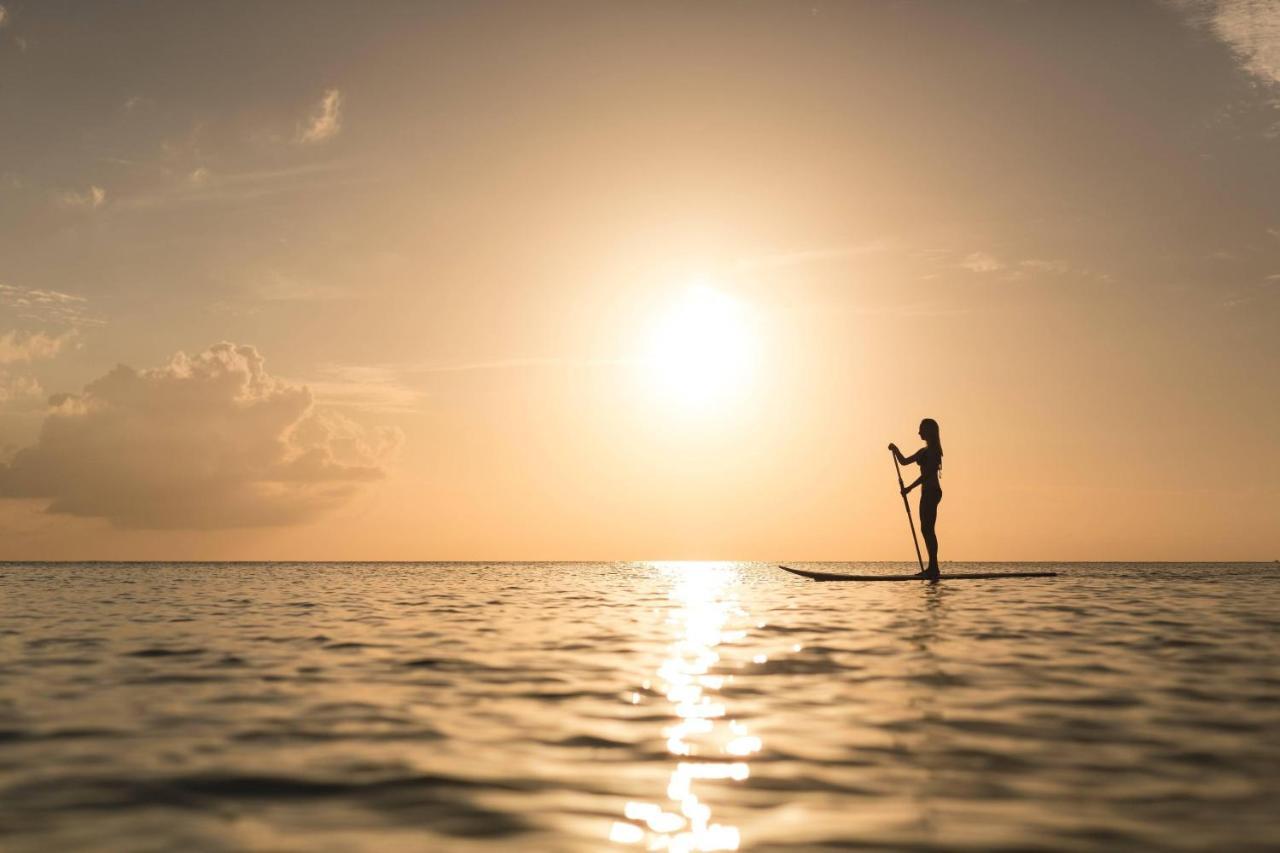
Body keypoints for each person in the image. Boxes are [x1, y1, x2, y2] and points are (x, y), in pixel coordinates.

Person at [889, 418, 943, 577]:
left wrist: (909, 489)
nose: (919, 432)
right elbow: (904, 462)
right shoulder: (923, 451)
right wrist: (895, 449)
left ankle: (934, 568)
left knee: (928, 529)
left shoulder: (934, 451)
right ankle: (932, 567)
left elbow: (927, 475)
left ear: (928, 431)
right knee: (925, 529)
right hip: (926, 493)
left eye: (921, 429)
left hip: (932, 492)